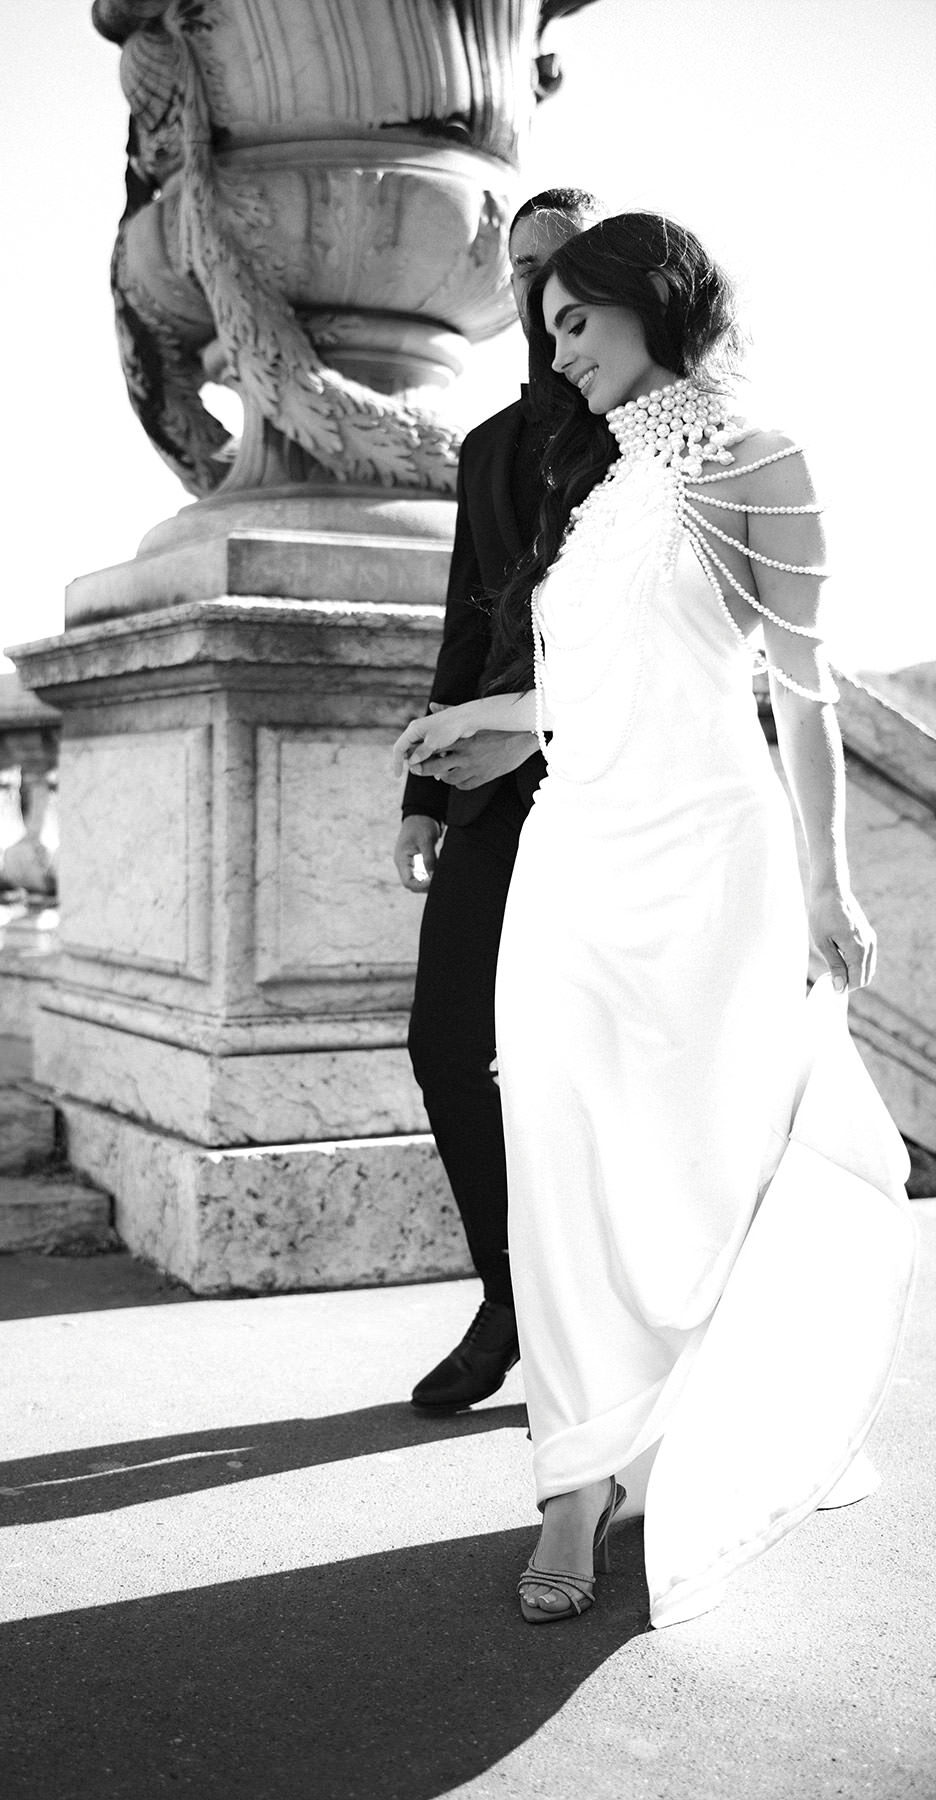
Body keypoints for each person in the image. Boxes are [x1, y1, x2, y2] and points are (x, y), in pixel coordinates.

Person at [393, 212, 914, 1626]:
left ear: (652, 302)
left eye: (575, 320)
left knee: (697, 1162)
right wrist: (494, 724)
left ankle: (687, 1426)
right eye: (547, 327)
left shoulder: (763, 460)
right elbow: (592, 679)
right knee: (558, 1143)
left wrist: (828, 881)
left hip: (711, 862)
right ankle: (574, 1479)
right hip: (572, 855)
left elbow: (800, 689)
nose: (557, 349)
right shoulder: (602, 478)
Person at [396, 187, 601, 1413]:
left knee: (594, 1066)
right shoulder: (484, 449)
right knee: (444, 1041)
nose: (538, 288)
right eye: (521, 268)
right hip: (487, 802)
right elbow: (466, 626)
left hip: (612, 790)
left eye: (561, 264)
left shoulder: (643, 431)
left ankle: (605, 1321)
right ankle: (508, 1297)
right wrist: (422, 793)